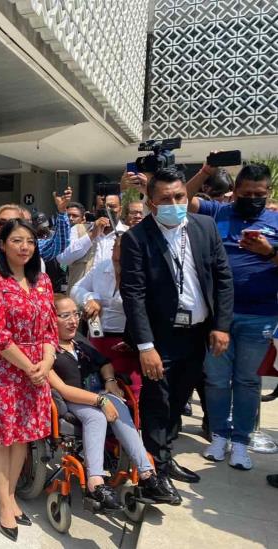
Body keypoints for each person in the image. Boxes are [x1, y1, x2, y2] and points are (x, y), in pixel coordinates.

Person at [120, 168, 233, 502]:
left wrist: (221, 325)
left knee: (179, 402)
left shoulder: (204, 227)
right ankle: (153, 473)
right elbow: (133, 294)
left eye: (179, 197)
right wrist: (145, 345)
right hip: (159, 339)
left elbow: (223, 278)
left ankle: (166, 459)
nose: (174, 204)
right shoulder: (137, 239)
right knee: (157, 405)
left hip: (197, 334)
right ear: (152, 203)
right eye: (166, 199)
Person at [187, 162, 278, 469]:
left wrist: (269, 252)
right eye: (246, 192)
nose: (253, 197)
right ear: (235, 192)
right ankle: (219, 436)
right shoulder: (219, 213)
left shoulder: (275, 220)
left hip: (260, 316)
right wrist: (204, 172)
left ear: (267, 193)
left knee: (247, 381)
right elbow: (180, 200)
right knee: (215, 380)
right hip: (219, 317)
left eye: (259, 193)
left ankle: (241, 442)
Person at [49, 295, 177, 508]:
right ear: (50, 319)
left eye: (75, 314)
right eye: (65, 315)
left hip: (98, 394)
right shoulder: (48, 349)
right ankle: (95, 482)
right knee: (96, 417)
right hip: (71, 401)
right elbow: (62, 388)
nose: (73, 320)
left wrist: (109, 380)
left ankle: (147, 475)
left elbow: (105, 362)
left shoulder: (79, 341)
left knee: (118, 403)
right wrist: (99, 400)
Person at [0, 218, 56, 541]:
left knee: (22, 434)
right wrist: (29, 366)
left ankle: (9, 495)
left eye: (30, 242)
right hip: (4, 369)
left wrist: (47, 361)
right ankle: (3, 501)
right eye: (17, 241)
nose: (25, 247)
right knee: (0, 437)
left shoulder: (43, 282)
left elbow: (51, 327)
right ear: (3, 245)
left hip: (38, 369)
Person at [71, 234, 142, 396]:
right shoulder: (102, 267)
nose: (119, 257)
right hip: (97, 338)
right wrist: (92, 298)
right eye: (116, 250)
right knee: (95, 389)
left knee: (131, 392)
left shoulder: (141, 273)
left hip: (127, 344)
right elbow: (76, 289)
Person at [0, 189, 72, 275]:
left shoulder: (30, 246)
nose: (6, 227)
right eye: (1, 222)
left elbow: (59, 244)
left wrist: (62, 211)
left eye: (12, 222)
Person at [57, 194, 128, 292]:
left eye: (112, 207)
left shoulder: (129, 234)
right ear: (94, 210)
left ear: (120, 210)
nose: (107, 211)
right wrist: (91, 235)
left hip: (114, 302)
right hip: (81, 300)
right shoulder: (78, 230)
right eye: (102, 207)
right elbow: (63, 259)